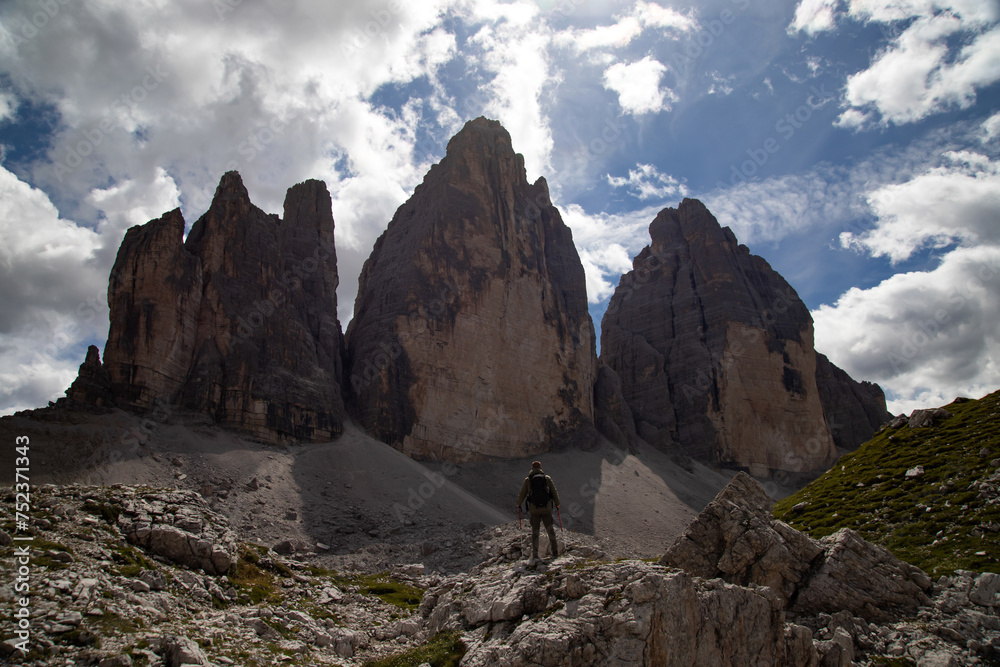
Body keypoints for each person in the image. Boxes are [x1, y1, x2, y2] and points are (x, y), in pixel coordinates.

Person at [516, 460, 560, 561]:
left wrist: (518, 503)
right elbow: (554, 492)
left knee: (535, 532)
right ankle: (555, 552)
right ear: (540, 468)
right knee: (550, 530)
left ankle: (535, 554)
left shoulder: (528, 480)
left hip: (534, 510)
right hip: (546, 509)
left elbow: (522, 493)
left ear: (532, 468)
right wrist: (557, 504)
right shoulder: (546, 478)